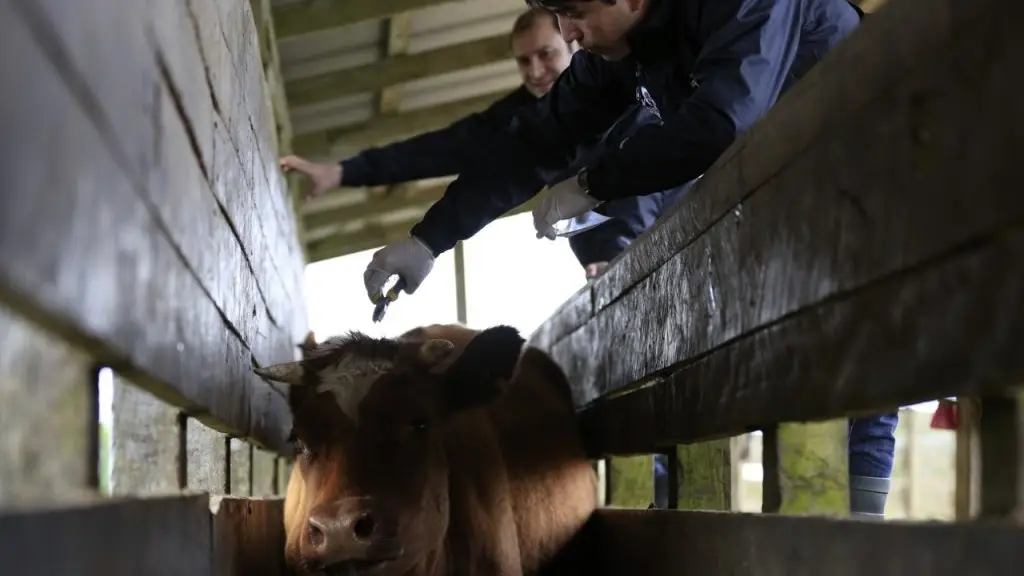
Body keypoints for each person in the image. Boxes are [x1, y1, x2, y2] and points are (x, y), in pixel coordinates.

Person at [426, 0, 894, 518]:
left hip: (872, 168)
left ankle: (854, 529)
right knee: (788, 357)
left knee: (862, 346)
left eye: (573, 11)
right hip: (786, 209)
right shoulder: (624, 46)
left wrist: (593, 183)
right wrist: (428, 239)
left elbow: (720, 120)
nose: (567, 33)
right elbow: (536, 141)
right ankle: (806, 525)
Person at [280, 7, 687, 289]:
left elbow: (644, 165)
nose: (535, 72)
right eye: (523, 62)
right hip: (601, 255)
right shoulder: (522, 116)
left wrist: (621, 248)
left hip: (671, 221)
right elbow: (439, 149)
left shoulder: (625, 83)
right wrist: (344, 172)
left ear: (573, 41)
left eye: (545, 54)